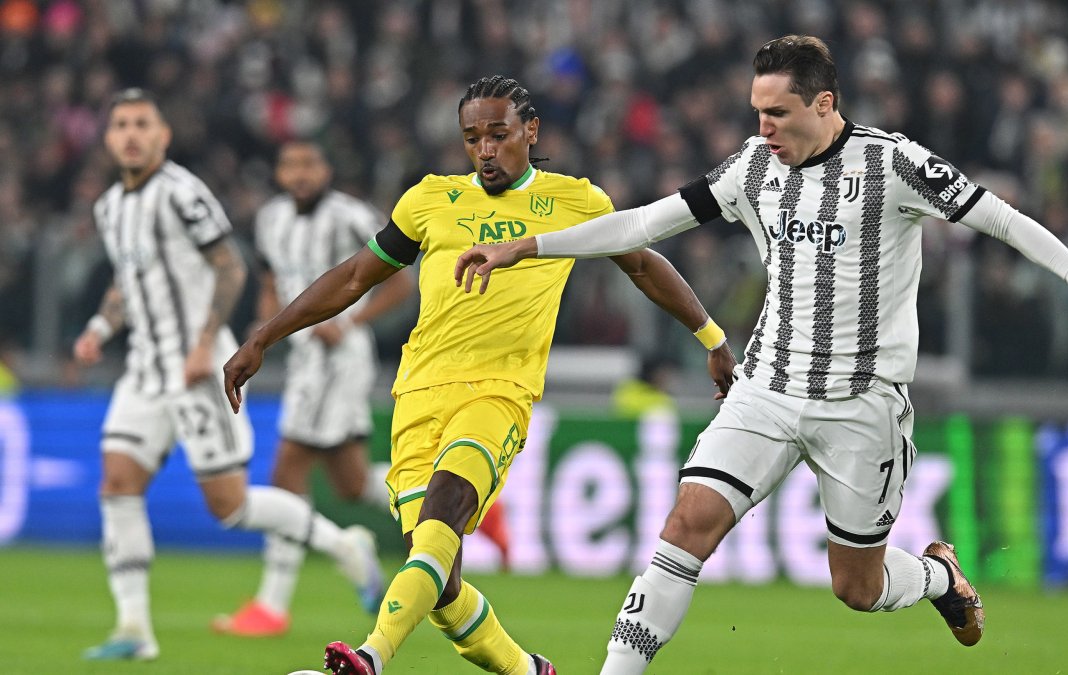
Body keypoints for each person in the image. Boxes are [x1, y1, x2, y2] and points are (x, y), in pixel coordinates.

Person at [455, 36, 1068, 672]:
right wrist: (524, 246)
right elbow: (644, 222)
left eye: (779, 113)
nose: (764, 129)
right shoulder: (752, 168)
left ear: (824, 104)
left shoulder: (893, 163)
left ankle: (941, 575)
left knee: (857, 586)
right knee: (685, 521)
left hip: (862, 405)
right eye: (757, 112)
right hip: (767, 388)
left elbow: (997, 215)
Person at [222, 75, 736, 675]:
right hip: (417, 396)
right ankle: (528, 672)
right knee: (440, 584)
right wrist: (263, 336)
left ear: (530, 131)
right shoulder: (429, 200)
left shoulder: (574, 201)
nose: (485, 149)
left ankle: (368, 657)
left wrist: (713, 337)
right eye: (473, 138)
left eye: (498, 134)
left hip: (499, 393)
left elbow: (643, 264)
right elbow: (355, 277)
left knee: (441, 521)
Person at [73, 88, 383, 661]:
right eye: (121, 125)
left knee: (230, 507)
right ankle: (135, 629)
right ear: (110, 138)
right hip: (144, 369)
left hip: (196, 369)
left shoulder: (182, 193)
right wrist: (99, 326)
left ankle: (344, 546)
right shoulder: (109, 206)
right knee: (117, 481)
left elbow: (229, 264)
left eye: (143, 123)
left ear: (163, 135)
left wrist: (202, 341)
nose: (132, 133)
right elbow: (127, 281)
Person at [213, 141, 414, 637]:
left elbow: (399, 284)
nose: (300, 174)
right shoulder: (271, 219)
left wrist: (349, 323)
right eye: (290, 165)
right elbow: (269, 279)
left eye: (310, 164)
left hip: (338, 359)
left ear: (326, 169)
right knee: (349, 485)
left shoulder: (350, 215)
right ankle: (438, 492)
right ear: (279, 173)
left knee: (288, 471)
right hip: (305, 359)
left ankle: (272, 606)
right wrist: (266, 322)